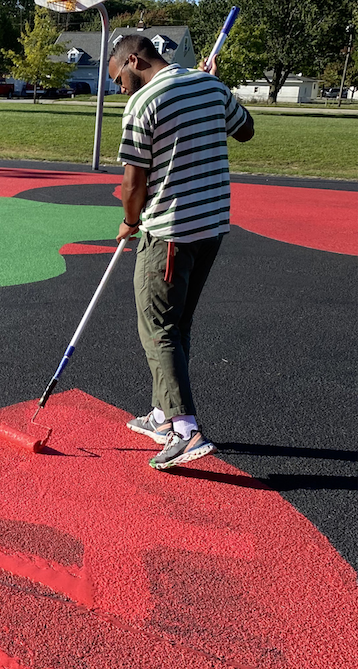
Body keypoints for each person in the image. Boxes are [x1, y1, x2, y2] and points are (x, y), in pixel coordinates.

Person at [108, 34, 254, 470]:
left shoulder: (143, 102)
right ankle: (161, 412)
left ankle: (184, 429)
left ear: (134, 59)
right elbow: (245, 130)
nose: (119, 88)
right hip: (210, 227)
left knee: (157, 327)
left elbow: (134, 182)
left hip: (169, 230)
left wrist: (129, 222)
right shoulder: (208, 87)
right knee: (178, 322)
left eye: (118, 77)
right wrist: (217, 90)